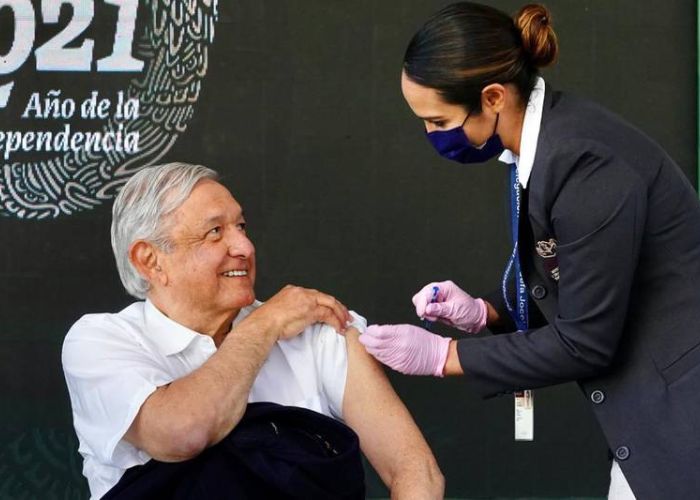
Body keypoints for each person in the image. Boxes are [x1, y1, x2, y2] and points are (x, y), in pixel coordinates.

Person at [358, 2, 700, 499]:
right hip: (653, 425)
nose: (431, 135)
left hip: (681, 423)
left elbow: (585, 341)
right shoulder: (532, 149)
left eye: (438, 120)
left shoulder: (586, 164)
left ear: (492, 96)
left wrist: (445, 356)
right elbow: (579, 284)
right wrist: (487, 313)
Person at [62, 163, 444, 499]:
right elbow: (181, 433)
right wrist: (265, 323)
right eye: (215, 232)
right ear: (150, 261)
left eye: (241, 226)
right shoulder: (100, 341)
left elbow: (415, 470)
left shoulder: (318, 331)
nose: (244, 245)